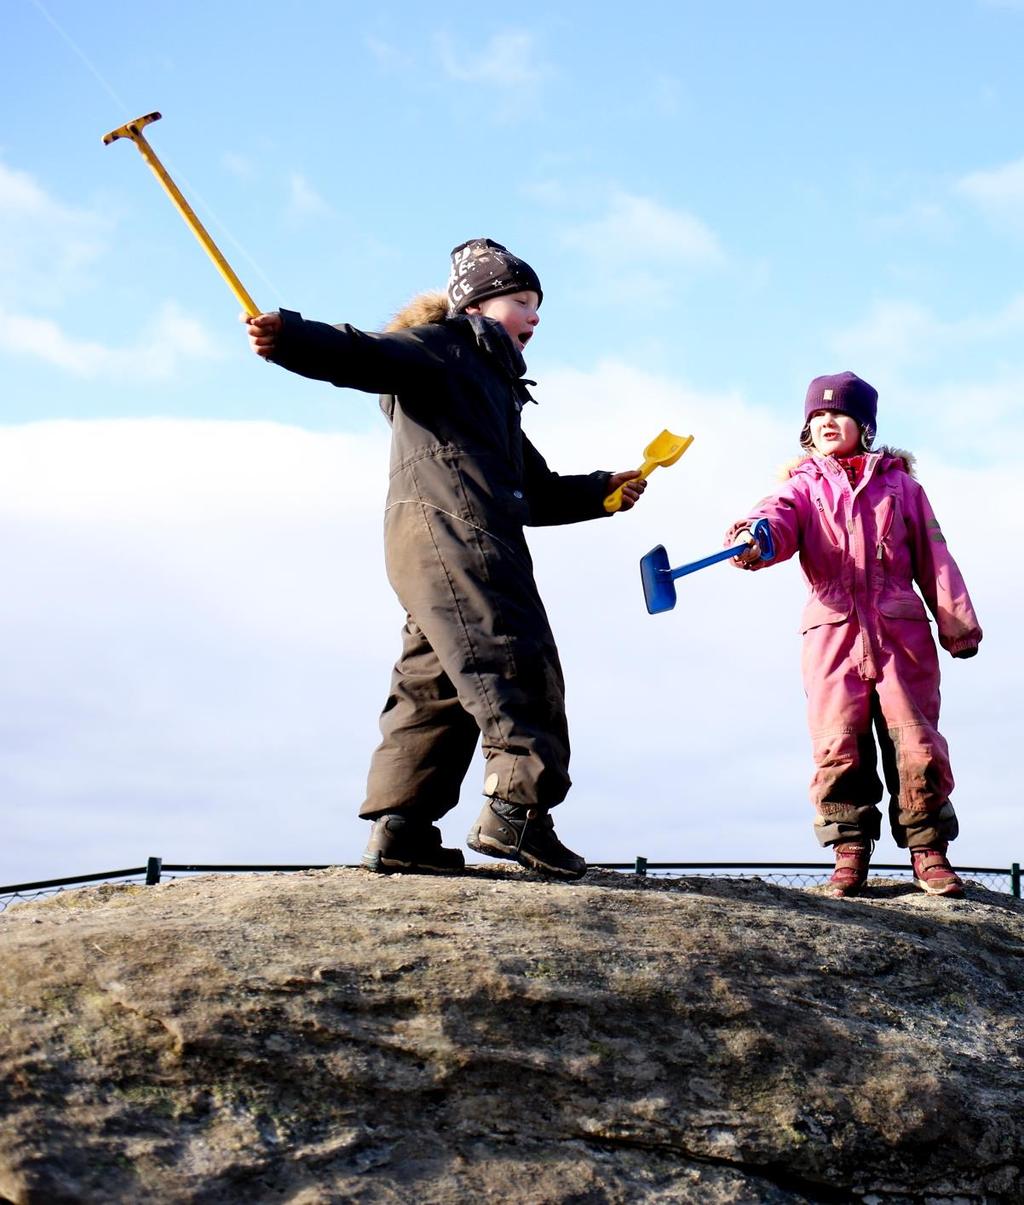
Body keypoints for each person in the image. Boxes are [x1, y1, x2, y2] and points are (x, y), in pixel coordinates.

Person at [245, 237, 647, 880]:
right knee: (513, 657)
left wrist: (601, 492)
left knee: (433, 685)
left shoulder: (488, 384)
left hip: (430, 539)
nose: (535, 316)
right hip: (460, 534)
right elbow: (363, 354)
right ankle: (516, 815)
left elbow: (533, 490)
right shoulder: (447, 346)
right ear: (477, 304)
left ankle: (401, 829)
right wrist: (291, 338)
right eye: (521, 300)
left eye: (537, 305)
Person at [725, 371, 981, 898]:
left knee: (916, 742)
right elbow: (776, 519)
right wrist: (754, 538)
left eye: (837, 414)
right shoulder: (800, 488)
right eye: (815, 417)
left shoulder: (904, 488)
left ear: (864, 425)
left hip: (899, 634)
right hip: (831, 632)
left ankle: (928, 850)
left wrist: (957, 625)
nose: (825, 423)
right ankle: (849, 852)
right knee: (837, 743)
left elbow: (936, 557)